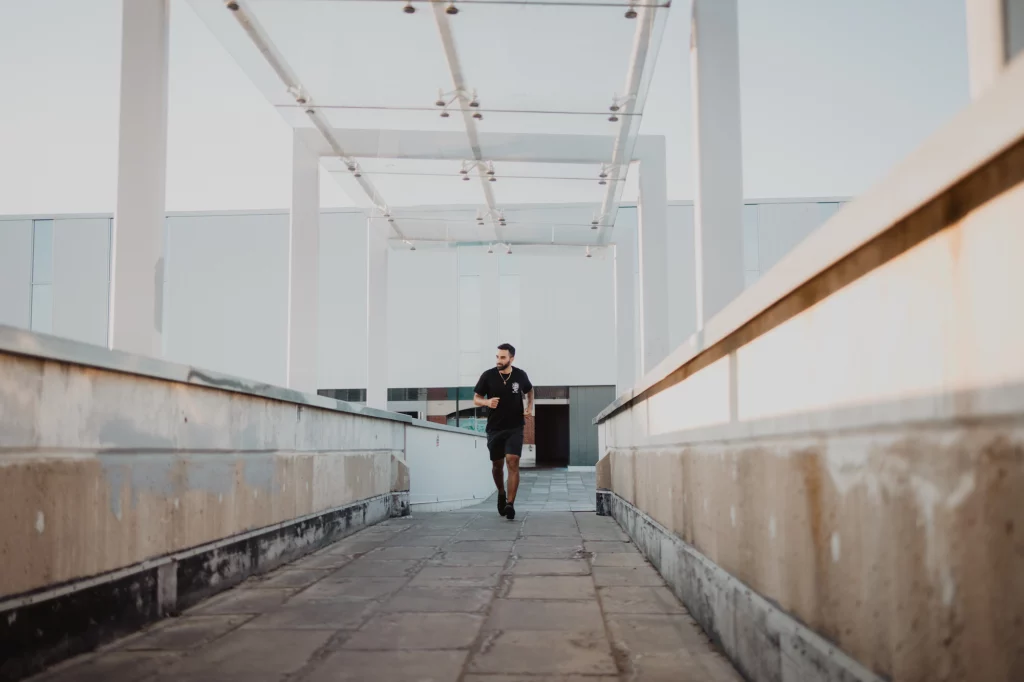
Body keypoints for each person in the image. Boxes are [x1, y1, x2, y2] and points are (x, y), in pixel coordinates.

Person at [473, 343, 533, 520]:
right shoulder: (488, 376)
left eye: (503, 357)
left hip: (515, 426)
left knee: (512, 461)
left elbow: (530, 391)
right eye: (497, 357)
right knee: (497, 466)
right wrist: (487, 402)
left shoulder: (520, 375)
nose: (499, 360)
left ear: (511, 358)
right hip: (495, 428)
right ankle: (501, 491)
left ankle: (510, 504)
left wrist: (530, 407)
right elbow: (476, 398)